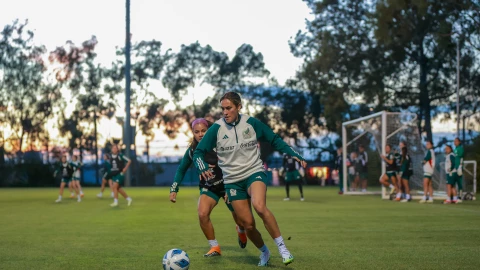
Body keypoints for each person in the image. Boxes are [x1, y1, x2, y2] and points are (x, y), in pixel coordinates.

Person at [193, 92, 307, 266]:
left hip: (254, 172)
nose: (225, 112)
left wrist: (292, 153)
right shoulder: (216, 129)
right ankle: (264, 252)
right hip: (232, 181)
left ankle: (283, 249)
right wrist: (201, 166)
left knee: (259, 206)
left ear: (239, 107)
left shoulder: (251, 123)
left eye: (229, 108)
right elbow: (199, 152)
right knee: (248, 225)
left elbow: (274, 139)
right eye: (223, 108)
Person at [169, 118, 248, 257]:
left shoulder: (221, 144)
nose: (200, 134)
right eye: (197, 132)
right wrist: (174, 189)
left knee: (241, 219)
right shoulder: (192, 151)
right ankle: (215, 247)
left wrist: (231, 186)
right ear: (193, 133)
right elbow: (181, 170)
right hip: (209, 186)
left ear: (209, 131)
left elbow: (234, 164)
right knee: (202, 213)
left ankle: (241, 229)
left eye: (203, 131)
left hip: (228, 184)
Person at [454, 137, 464, 202]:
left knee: (459, 182)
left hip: (459, 167)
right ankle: (455, 196)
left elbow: (461, 158)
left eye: (456, 141)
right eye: (454, 141)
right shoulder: (455, 149)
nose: (455, 142)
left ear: (459, 142)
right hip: (455, 167)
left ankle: (460, 197)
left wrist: (460, 166)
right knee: (454, 182)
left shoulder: (460, 149)